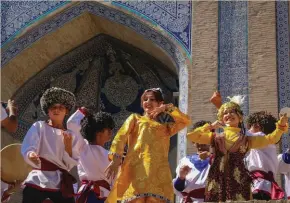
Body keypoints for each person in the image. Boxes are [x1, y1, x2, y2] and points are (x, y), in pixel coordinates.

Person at [187, 95, 288, 202]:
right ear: (221, 118)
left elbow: (271, 139)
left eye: (232, 112)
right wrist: (209, 126)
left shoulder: (247, 139)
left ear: (240, 117)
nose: (229, 115)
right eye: (225, 113)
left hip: (239, 179)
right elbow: (191, 136)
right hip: (217, 178)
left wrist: (280, 127)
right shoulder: (216, 137)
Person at [105, 88, 191, 202]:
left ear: (160, 103)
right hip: (137, 171)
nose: (148, 102)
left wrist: (167, 108)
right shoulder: (136, 119)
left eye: (152, 99)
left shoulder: (166, 127)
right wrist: (116, 159)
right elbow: (121, 137)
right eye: (145, 99)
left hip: (158, 174)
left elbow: (185, 120)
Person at [21, 87, 83, 203]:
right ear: (47, 110)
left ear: (67, 111)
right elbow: (29, 145)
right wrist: (31, 155)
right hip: (38, 178)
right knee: (30, 194)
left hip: (60, 182)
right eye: (53, 107)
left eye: (61, 107)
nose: (57, 110)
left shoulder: (71, 135)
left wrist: (68, 146)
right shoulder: (39, 126)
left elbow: (69, 164)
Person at [67, 108, 116, 203]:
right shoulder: (83, 147)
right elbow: (71, 123)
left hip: (106, 196)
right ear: (98, 132)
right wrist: (82, 111)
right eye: (108, 129)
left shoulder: (111, 155)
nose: (111, 132)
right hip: (89, 194)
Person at [245, 111, 284, 200]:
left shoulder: (260, 137)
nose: (249, 130)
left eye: (251, 127)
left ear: (257, 126)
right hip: (263, 182)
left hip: (259, 182)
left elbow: (243, 135)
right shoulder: (268, 143)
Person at [173, 120, 211, 203]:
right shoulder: (185, 160)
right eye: (198, 138)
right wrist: (181, 177)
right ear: (193, 141)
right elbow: (178, 188)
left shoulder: (218, 160)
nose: (201, 142)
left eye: (205, 137)